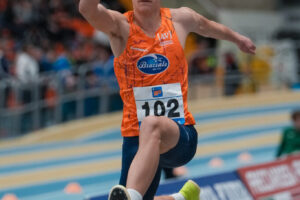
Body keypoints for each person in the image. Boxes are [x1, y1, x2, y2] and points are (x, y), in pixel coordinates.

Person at [79, 1, 256, 200]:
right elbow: (87, 9)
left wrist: (238, 39)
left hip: (180, 136)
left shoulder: (180, 19)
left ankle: (135, 197)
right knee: (148, 130)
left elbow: (208, 27)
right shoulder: (119, 26)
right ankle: (181, 198)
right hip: (136, 141)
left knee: (151, 123)